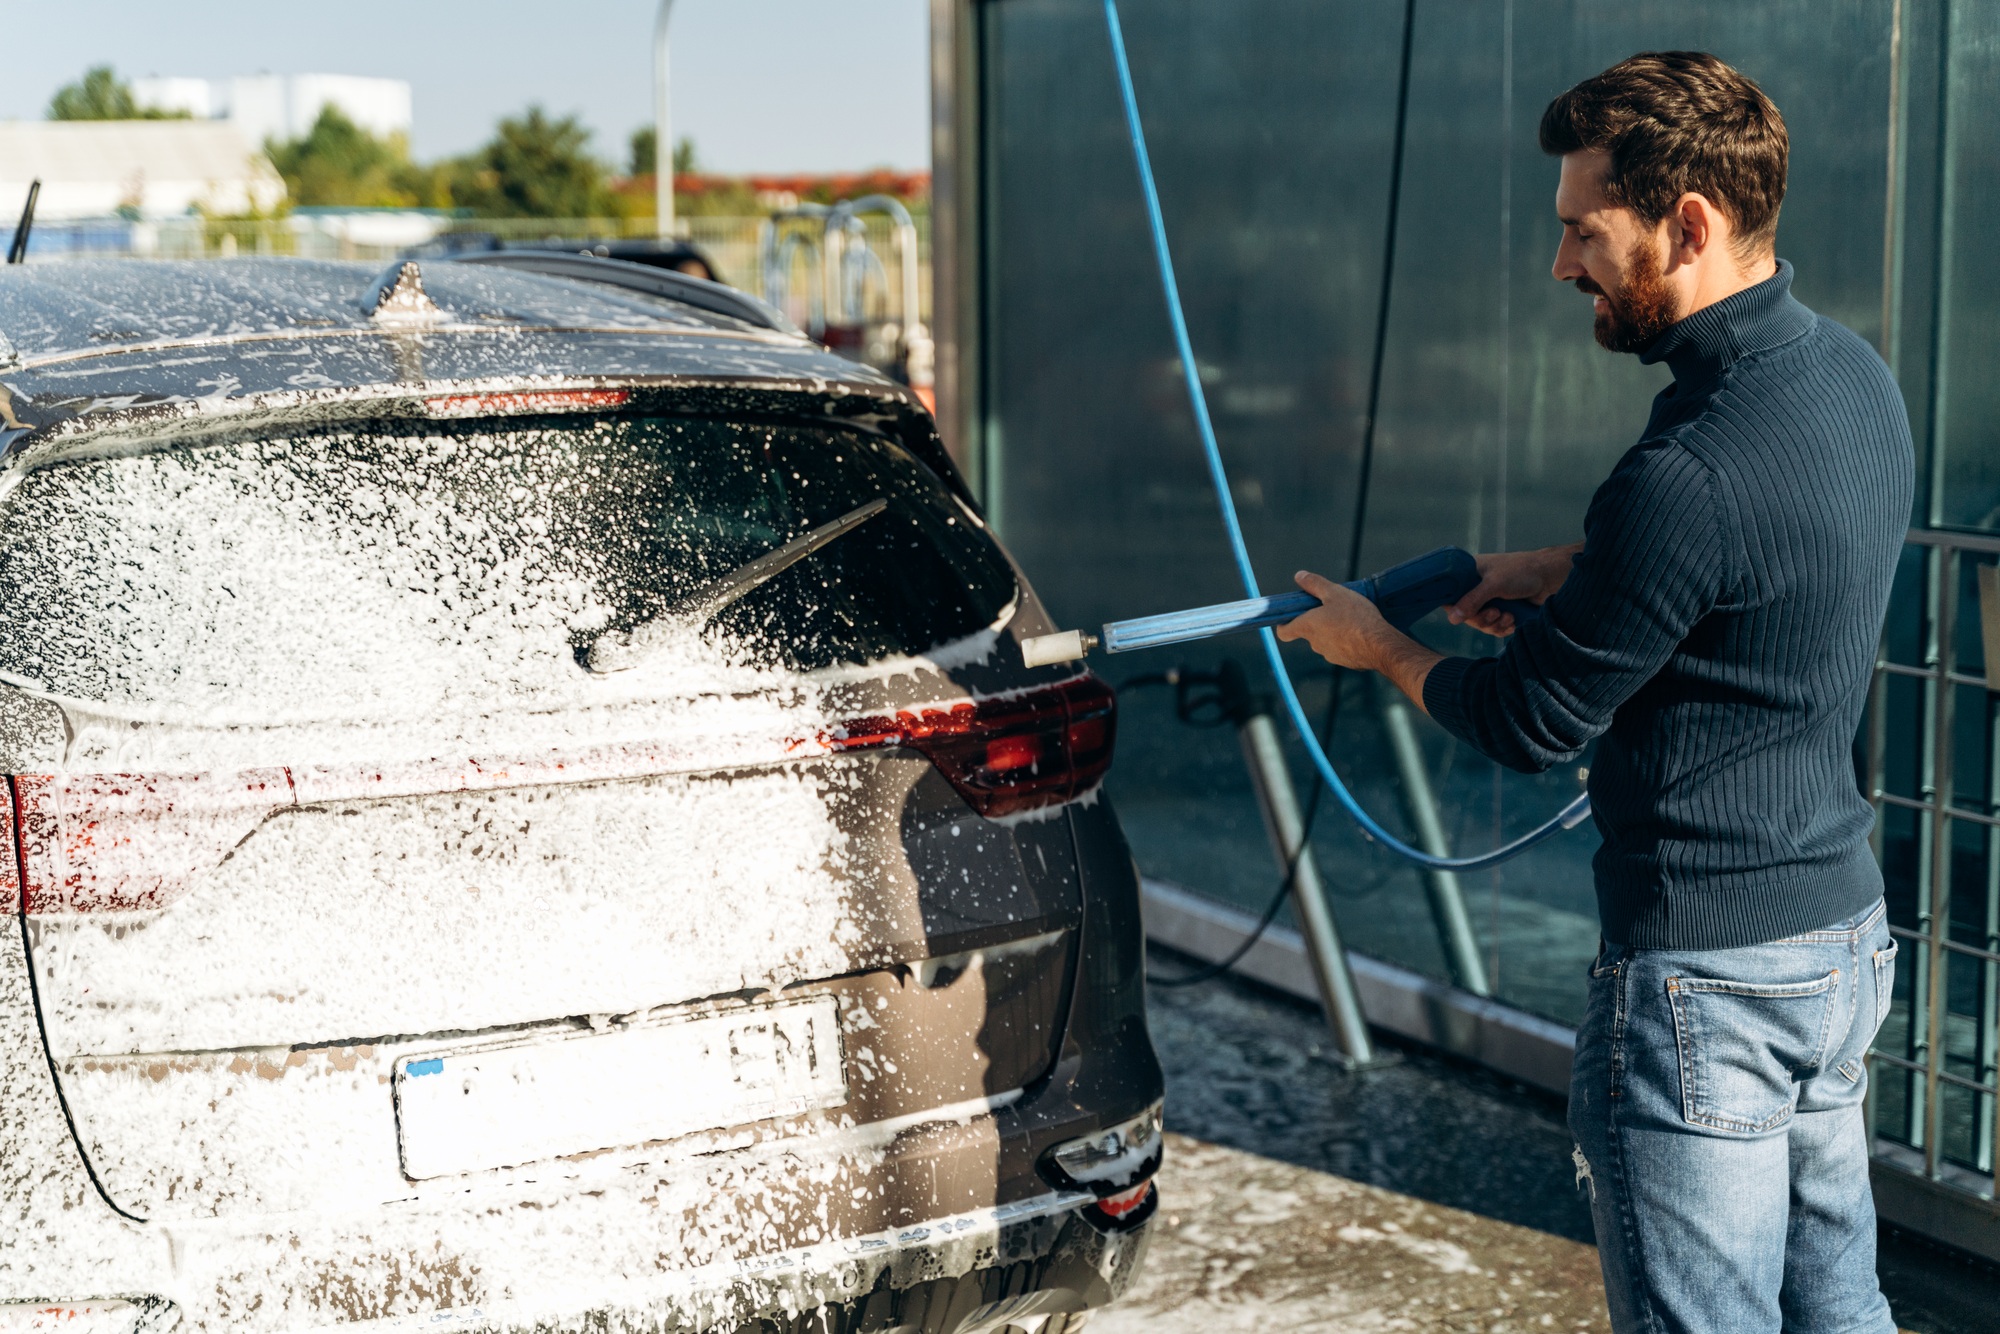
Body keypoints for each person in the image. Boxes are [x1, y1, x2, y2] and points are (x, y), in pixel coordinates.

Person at [1276, 52, 1912, 1333]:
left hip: (1703, 983)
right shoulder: (1851, 380)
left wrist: (1377, 648)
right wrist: (1561, 569)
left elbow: (1522, 720)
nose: (1559, 264)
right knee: (1840, 1304)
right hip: (1838, 943)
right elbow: (1769, 557)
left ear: (1686, 223)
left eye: (1581, 230)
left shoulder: (1681, 473)